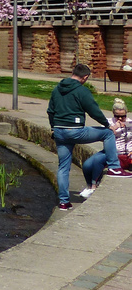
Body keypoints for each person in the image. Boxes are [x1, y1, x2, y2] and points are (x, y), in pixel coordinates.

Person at [47, 63, 121, 208]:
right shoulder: (82, 91)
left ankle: (64, 202)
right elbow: (93, 110)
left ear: (73, 72)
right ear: (85, 77)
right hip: (75, 131)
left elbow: (50, 111)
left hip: (59, 132)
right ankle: (114, 167)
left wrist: (53, 128)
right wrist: (108, 125)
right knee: (107, 134)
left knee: (63, 168)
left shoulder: (57, 89)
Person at [107, 99, 132, 175]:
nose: (120, 119)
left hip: (128, 154)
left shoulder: (130, 122)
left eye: (123, 116)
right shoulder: (108, 122)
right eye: (117, 116)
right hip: (115, 154)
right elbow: (102, 137)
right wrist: (114, 127)